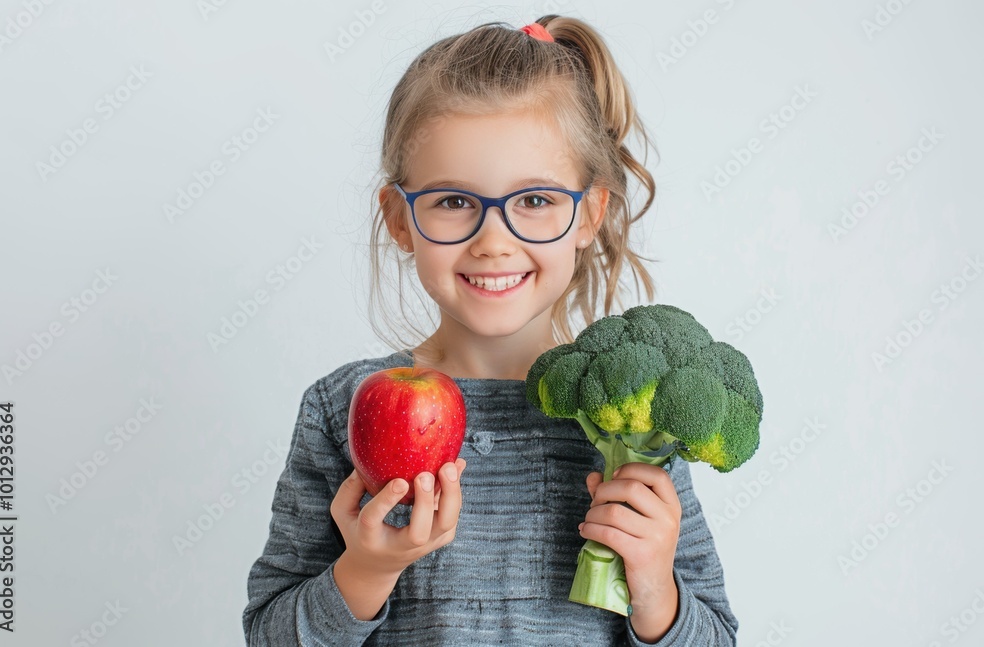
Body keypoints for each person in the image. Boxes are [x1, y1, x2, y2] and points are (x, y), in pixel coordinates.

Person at [243, 15, 738, 646]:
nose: (494, 242)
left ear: (590, 213)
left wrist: (656, 594)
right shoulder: (339, 410)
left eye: (534, 200)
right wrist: (365, 572)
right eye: (453, 202)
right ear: (400, 218)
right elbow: (268, 636)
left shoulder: (629, 420)